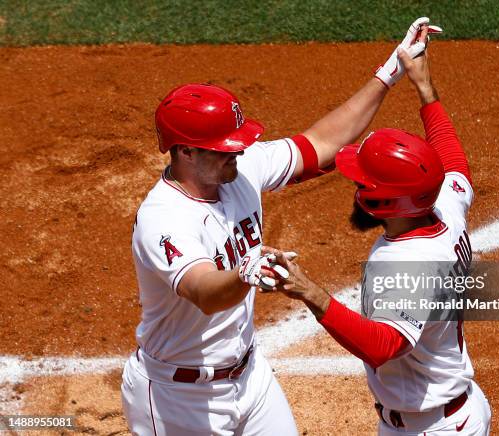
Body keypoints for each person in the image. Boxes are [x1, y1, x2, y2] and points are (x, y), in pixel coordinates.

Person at [121, 17, 437, 435]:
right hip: (178, 400)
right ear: (184, 152)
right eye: (224, 148)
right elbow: (202, 291)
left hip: (250, 378)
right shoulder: (163, 219)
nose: (238, 152)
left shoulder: (237, 170)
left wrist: (388, 73)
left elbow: (321, 144)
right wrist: (243, 274)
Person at [265, 25, 492, 435]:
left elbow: (383, 345)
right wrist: (424, 87)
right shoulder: (443, 204)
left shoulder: (405, 262)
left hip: (432, 428)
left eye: (363, 184)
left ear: (386, 202)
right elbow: (454, 163)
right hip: (454, 411)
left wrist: (308, 291)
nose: (355, 188)